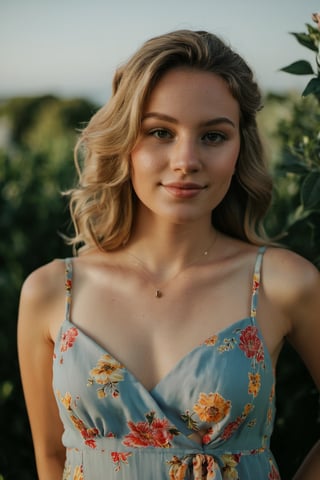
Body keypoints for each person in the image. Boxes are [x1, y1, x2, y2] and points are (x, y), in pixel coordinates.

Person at [17, 30, 320, 480]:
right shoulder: (50, 291)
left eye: (213, 136)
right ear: (125, 143)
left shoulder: (282, 283)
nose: (186, 159)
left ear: (240, 148)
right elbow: (50, 459)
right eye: (160, 132)